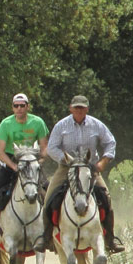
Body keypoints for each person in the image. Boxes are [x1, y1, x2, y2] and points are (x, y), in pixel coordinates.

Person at [40, 95, 123, 254]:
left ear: (87, 109)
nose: (79, 110)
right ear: (70, 108)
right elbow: (52, 148)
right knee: (49, 198)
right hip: (66, 168)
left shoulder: (96, 125)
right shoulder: (61, 125)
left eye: (82, 107)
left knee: (106, 198)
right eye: (76, 107)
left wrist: (103, 162)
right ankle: (46, 238)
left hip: (90, 168)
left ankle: (110, 238)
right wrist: (65, 159)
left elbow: (110, 142)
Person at [0, 93, 50, 251]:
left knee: (50, 192)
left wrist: (38, 162)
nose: (19, 108)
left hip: (32, 162)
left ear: (27, 106)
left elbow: (44, 147)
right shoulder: (6, 123)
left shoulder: (38, 122)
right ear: (12, 107)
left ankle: (50, 235)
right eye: (16, 106)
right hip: (11, 162)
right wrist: (13, 166)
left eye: (22, 105)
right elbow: (0, 151)